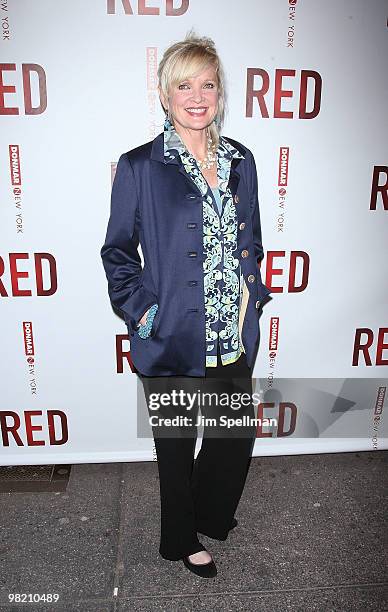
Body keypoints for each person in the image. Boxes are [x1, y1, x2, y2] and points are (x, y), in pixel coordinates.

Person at [100, 31, 272, 578]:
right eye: (184, 85)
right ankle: (179, 538)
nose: (196, 96)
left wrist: (254, 298)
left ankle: (208, 513)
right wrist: (143, 310)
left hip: (230, 330)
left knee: (233, 434)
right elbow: (117, 252)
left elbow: (252, 239)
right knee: (175, 445)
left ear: (220, 95)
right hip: (171, 330)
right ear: (165, 94)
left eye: (208, 84)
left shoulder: (241, 160)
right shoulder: (140, 167)